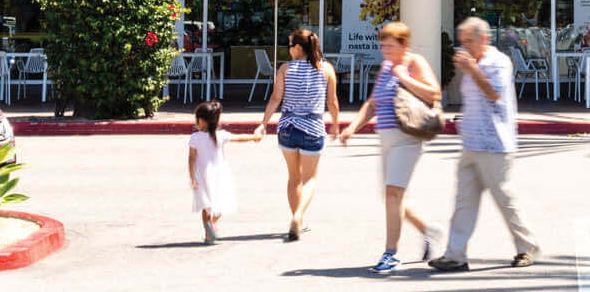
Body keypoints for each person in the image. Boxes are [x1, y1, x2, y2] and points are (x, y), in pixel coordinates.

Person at [428, 18, 540, 272]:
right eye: (463, 41)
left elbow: (493, 93)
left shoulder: (497, 62)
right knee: (463, 201)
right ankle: (455, 254)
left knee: (504, 199)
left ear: (484, 38)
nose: (464, 45)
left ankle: (528, 246)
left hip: (495, 143)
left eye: (469, 40)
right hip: (471, 142)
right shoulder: (471, 64)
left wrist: (472, 69)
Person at [338, 21, 441, 274]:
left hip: (407, 137)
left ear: (404, 44)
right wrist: (353, 127)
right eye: (383, 46)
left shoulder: (414, 63)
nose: (385, 51)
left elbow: (434, 93)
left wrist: (404, 77)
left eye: (390, 46)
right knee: (391, 197)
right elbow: (373, 103)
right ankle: (428, 230)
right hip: (386, 139)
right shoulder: (386, 66)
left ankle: (391, 254)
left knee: (393, 195)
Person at [253, 28, 341, 241]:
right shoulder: (327, 69)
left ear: (298, 48)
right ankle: (300, 216)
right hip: (313, 127)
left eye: (290, 45)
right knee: (310, 177)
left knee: (294, 177)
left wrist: (263, 123)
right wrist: (336, 124)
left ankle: (296, 217)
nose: (289, 49)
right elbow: (332, 101)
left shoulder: (285, 68)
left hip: (287, 127)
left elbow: (275, 98)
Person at [187, 100, 254, 244]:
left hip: (202, 175)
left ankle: (208, 232)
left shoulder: (195, 137)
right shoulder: (221, 135)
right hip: (219, 175)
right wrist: (255, 137)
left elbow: (191, 159)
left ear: (202, 121)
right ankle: (211, 227)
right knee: (221, 203)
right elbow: (240, 138)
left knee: (206, 206)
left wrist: (192, 176)